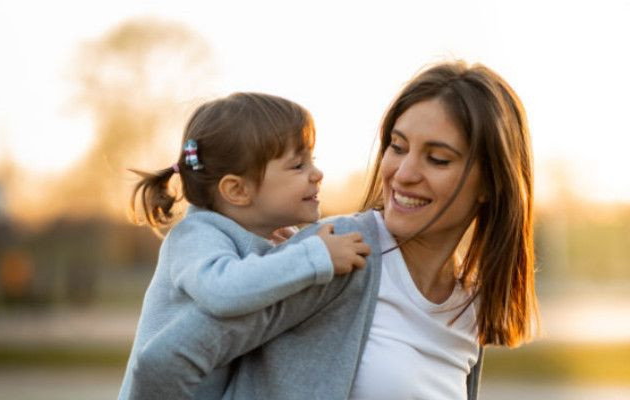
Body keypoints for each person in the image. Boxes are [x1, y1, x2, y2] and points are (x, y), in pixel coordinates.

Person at [125, 61, 539, 400]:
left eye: (438, 159)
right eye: (397, 147)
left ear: (491, 183)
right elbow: (164, 363)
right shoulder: (337, 254)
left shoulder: (469, 303)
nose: (403, 173)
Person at [118, 92, 371, 399]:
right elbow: (223, 291)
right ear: (237, 190)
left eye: (312, 161)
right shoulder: (195, 235)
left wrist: (288, 252)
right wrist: (313, 256)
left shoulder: (259, 237)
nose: (317, 174)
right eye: (298, 165)